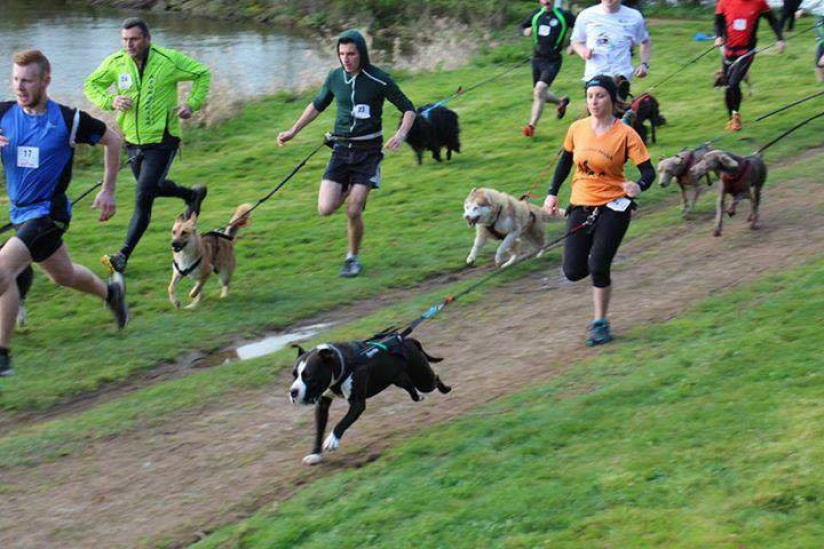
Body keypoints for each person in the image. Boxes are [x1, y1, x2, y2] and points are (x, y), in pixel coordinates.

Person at [0, 50, 128, 376]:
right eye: (15, 79)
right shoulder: (4, 114)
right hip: (20, 213)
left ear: (46, 80)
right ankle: (111, 293)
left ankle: (2, 357)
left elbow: (113, 141)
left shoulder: (69, 120)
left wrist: (108, 189)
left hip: (50, 214)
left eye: (27, 80)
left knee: (4, 271)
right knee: (63, 275)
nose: (19, 87)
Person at [277, 30, 415, 278]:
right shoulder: (334, 78)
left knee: (353, 210)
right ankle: (355, 188)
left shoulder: (379, 79)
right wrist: (293, 131)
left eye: (351, 53)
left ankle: (352, 258)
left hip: (368, 152)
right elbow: (317, 105)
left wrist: (401, 134)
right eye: (341, 54)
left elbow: (408, 109)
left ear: (361, 52)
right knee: (325, 208)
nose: (346, 59)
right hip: (340, 150)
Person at [85, 17, 211, 273]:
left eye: (134, 39)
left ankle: (122, 255)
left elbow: (202, 73)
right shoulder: (116, 62)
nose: (129, 44)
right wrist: (111, 101)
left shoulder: (168, 60)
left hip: (163, 141)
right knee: (151, 187)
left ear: (147, 39)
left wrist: (191, 104)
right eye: (125, 39)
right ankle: (191, 195)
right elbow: (91, 85)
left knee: (143, 195)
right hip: (132, 142)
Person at [542, 75, 655, 346]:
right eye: (590, 96)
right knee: (572, 271)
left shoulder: (626, 134)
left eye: (600, 95)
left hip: (614, 206)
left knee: (598, 265)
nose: (594, 101)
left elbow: (648, 171)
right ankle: (596, 261)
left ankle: (600, 323)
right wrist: (552, 193)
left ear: (612, 99)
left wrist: (638, 186)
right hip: (581, 204)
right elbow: (565, 162)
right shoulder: (577, 128)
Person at [570, 0, 651, 114]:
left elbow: (645, 41)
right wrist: (583, 52)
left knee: (615, 119)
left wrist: (644, 64)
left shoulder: (634, 16)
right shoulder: (586, 15)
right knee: (595, 119)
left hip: (620, 77)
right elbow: (575, 41)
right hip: (594, 76)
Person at [715, 0, 785, 131]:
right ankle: (732, 117)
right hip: (728, 51)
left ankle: (735, 118)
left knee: (733, 84)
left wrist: (780, 39)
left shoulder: (759, 3)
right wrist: (718, 36)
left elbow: (773, 20)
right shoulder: (724, 2)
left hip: (747, 52)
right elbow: (718, 21)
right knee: (728, 86)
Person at [520, 0, 576, 137]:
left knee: (540, 89)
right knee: (539, 93)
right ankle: (560, 102)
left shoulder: (564, 15)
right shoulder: (536, 15)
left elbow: (582, 27)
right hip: (536, 59)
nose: (547, 2)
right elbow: (522, 26)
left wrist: (573, 45)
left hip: (553, 60)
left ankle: (531, 126)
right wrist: (525, 31)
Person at [798, 0, 824, 81]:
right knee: (820, 45)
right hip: (820, 19)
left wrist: (803, 9)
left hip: (820, 19)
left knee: (821, 60)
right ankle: (820, 81)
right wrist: (803, 9)